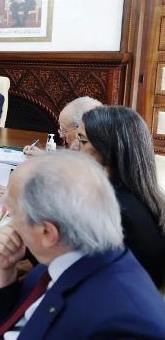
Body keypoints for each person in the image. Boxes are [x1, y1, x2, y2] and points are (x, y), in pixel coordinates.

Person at [0, 152, 165, 339]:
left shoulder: (123, 328)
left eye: (12, 212)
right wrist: (3, 270)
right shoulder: (67, 254)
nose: (9, 223)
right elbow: (12, 324)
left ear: (47, 232)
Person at [77, 106, 165, 288]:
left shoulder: (113, 209)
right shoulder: (150, 198)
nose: (75, 148)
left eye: (82, 141)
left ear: (107, 148)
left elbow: (76, 270)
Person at [22, 96, 102, 155]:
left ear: (81, 127)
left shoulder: (99, 153)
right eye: (61, 129)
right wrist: (43, 155)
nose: (61, 135)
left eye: (64, 130)